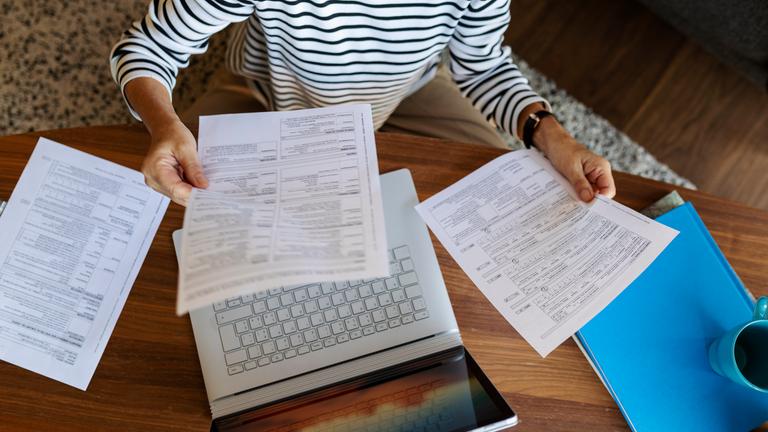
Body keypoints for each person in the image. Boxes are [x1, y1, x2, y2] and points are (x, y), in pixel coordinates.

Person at [110, 0, 615, 206]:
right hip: (266, 92)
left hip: (407, 95)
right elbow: (148, 48)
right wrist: (163, 123)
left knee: (504, 187)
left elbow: (481, 64)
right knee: (160, 198)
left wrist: (554, 136)